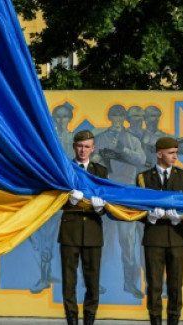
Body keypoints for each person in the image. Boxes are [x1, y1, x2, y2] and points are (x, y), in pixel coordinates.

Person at [137, 137, 183, 325]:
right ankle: (155, 320)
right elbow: (137, 208)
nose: (175, 157)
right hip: (153, 237)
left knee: (176, 284)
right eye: (171, 153)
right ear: (159, 154)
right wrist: (150, 217)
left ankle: (174, 320)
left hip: (177, 237)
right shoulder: (144, 177)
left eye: (176, 153)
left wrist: (181, 216)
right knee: (154, 284)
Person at [97, 104, 146, 298]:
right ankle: (95, 281)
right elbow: (94, 162)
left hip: (127, 193)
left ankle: (129, 282)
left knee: (128, 241)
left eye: (120, 115)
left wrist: (123, 149)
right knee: (101, 240)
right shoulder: (101, 138)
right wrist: (102, 155)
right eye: (114, 115)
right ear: (109, 117)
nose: (117, 118)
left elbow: (141, 160)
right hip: (106, 193)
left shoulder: (132, 139)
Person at [62, 130, 109, 325]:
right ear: (74, 146)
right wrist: (69, 202)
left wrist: (101, 208)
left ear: (93, 148)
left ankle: (89, 320)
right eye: (80, 146)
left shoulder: (100, 172)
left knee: (92, 281)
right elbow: (54, 200)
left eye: (87, 146)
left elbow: (107, 201)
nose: (83, 150)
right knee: (69, 282)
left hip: (92, 231)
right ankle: (72, 320)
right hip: (70, 231)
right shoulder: (66, 169)